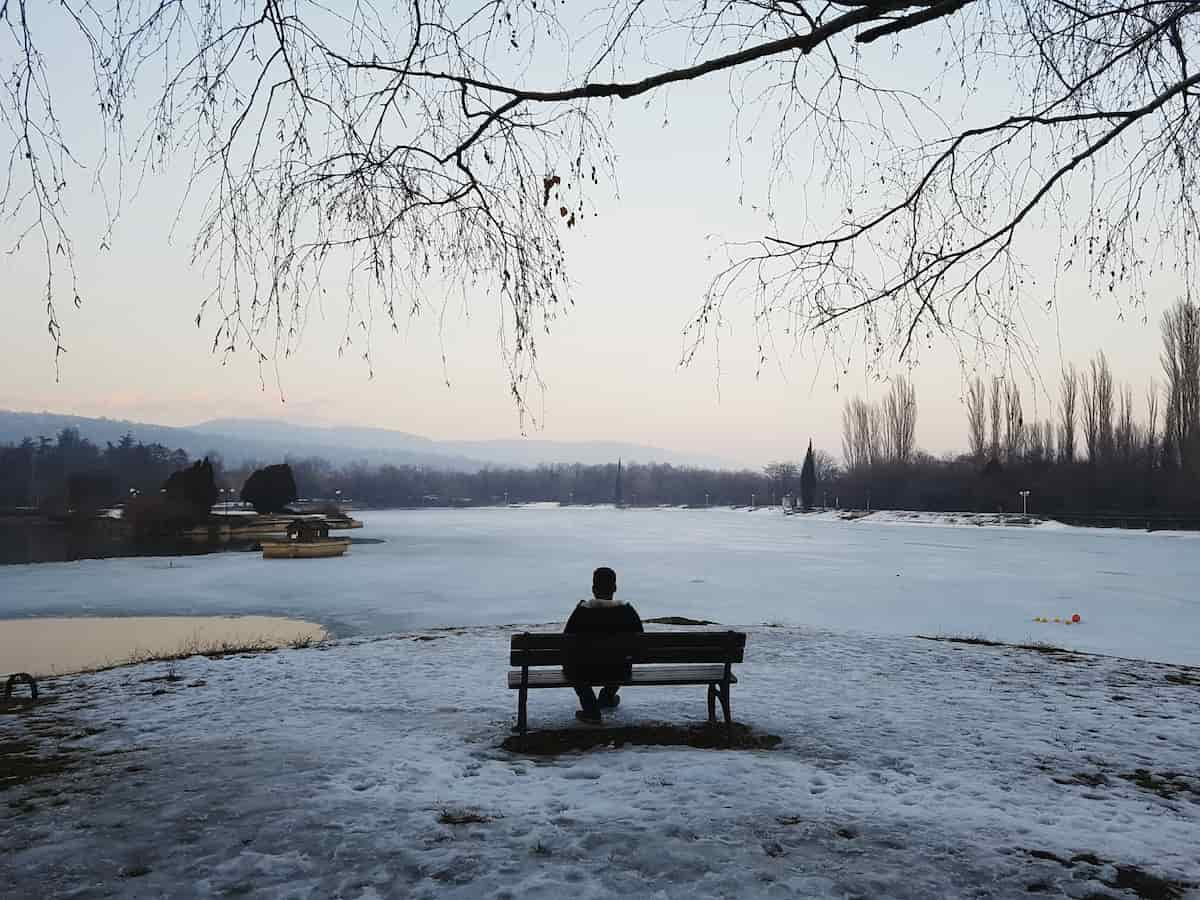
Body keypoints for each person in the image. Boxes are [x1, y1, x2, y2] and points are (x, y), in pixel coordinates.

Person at [563, 566, 643, 723]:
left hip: (584, 672)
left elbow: (565, 641)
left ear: (593, 589)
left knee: (571, 667)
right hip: (619, 671)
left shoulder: (581, 611)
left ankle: (591, 709)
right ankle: (607, 697)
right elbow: (640, 642)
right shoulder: (627, 611)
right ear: (614, 588)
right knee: (623, 661)